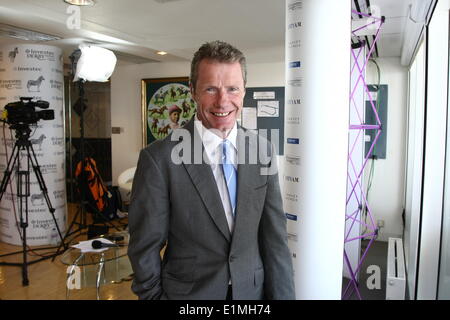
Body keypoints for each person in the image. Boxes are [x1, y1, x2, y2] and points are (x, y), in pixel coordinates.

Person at [127, 40, 295, 300]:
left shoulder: (263, 150)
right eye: (210, 89)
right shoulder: (158, 159)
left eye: (232, 89)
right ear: (193, 91)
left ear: (244, 91)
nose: (222, 101)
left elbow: (275, 240)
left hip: (252, 294)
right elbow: (144, 248)